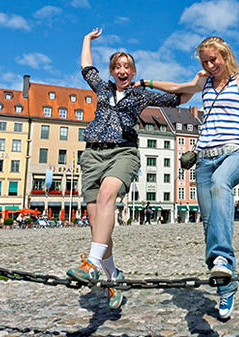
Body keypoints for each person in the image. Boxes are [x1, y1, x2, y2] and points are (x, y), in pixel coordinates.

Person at [138, 36, 239, 319]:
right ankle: (225, 286)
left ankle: (222, 258)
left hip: (234, 155)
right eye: (205, 61)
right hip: (205, 160)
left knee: (223, 184)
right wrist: (147, 83)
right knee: (210, 224)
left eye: (214, 60)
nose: (210, 65)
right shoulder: (204, 83)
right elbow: (176, 87)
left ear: (225, 56)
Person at [66, 28, 192, 310]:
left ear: (133, 72)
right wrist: (86, 39)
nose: (122, 70)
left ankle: (91, 263)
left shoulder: (141, 95)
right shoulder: (102, 88)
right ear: (112, 71)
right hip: (92, 154)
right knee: (98, 226)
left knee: (108, 195)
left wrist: (152, 82)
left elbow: (183, 96)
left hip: (123, 151)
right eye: (118, 66)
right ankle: (113, 277)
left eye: (127, 66)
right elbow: (87, 67)